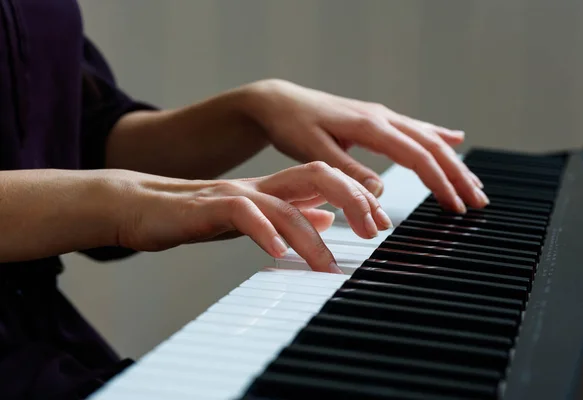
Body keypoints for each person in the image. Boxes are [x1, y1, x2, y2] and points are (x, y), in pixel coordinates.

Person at [0, 0, 489, 399]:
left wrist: (253, 109)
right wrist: (122, 202)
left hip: (47, 340)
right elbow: (97, 183)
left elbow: (81, 144)